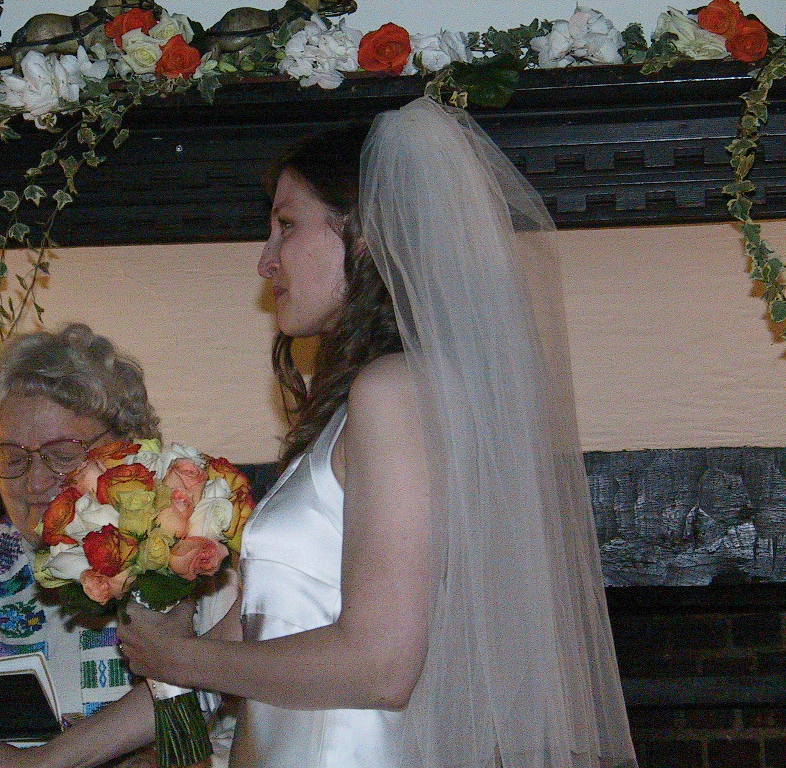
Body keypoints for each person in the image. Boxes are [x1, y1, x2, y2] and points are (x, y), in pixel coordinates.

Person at [116, 97, 639, 768]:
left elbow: (380, 666)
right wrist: (39, 761)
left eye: (286, 226)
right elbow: (249, 640)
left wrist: (180, 658)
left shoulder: (394, 391)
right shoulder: (360, 400)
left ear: (364, 234)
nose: (266, 261)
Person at [0, 323, 237, 767]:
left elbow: (256, 736)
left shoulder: (195, 562)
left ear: (127, 450)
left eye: (63, 456)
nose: (35, 482)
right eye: (12, 457)